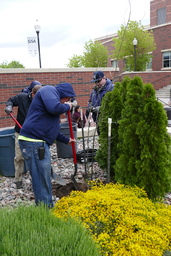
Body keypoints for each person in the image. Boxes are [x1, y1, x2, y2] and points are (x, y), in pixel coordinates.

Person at [18, 83, 76, 208]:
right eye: (68, 99)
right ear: (65, 94)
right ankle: (45, 210)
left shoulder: (52, 102)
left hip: (37, 142)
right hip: (33, 142)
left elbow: (52, 129)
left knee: (43, 176)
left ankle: (45, 207)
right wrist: (68, 106)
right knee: (41, 177)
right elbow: (55, 108)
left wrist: (66, 140)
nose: (68, 101)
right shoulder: (49, 90)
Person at [5, 82, 42, 189]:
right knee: (19, 156)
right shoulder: (22, 98)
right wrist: (9, 106)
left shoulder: (42, 101)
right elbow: (11, 100)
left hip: (34, 134)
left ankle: (37, 178)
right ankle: (18, 179)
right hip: (20, 132)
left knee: (36, 157)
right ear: (32, 93)